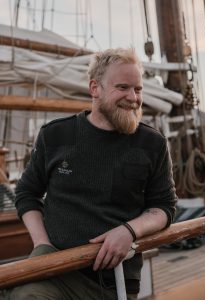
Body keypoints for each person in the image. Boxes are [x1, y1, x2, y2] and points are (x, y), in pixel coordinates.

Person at [8, 48, 177, 300]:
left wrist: (129, 230)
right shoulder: (55, 136)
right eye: (123, 87)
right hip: (55, 270)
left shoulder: (152, 144)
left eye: (138, 89)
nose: (133, 97)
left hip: (115, 279)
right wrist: (43, 244)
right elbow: (26, 193)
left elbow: (164, 206)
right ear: (94, 88)